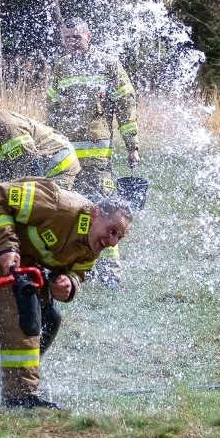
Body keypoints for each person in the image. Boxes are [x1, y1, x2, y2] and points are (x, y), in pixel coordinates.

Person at [0, 178, 133, 409]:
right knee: (21, 310)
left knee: (49, 318)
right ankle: (20, 395)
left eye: (119, 238)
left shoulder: (93, 243)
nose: (112, 242)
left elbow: (78, 274)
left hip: (19, 256)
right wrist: (6, 247)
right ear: (95, 214)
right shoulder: (58, 205)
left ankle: (14, 381)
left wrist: (69, 284)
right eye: (112, 231)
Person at [0, 89, 76, 356]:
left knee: (37, 216)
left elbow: (31, 171)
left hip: (56, 166)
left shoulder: (6, 127)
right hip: (34, 168)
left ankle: (44, 265)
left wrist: (9, 205)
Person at [45, 18, 140, 284]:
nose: (72, 43)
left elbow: (126, 104)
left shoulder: (108, 64)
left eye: (77, 37)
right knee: (71, 211)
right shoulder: (61, 67)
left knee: (106, 212)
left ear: (89, 36)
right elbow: (51, 111)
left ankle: (110, 274)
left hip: (98, 157)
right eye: (67, 38)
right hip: (65, 157)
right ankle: (78, 267)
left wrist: (132, 145)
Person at [0, 90, 80, 190]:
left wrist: (31, 193)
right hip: (38, 162)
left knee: (43, 207)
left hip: (58, 161)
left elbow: (32, 162)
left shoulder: (5, 126)